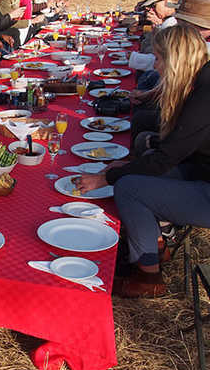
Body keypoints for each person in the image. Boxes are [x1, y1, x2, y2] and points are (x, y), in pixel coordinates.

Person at [76, 25, 210, 297]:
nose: (156, 66)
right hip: (202, 171)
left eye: (159, 59)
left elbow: (165, 159)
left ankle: (147, 278)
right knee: (140, 170)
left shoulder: (205, 94)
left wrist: (108, 177)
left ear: (175, 60)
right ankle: (156, 245)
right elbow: (178, 146)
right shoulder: (202, 80)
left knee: (129, 187)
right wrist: (127, 166)